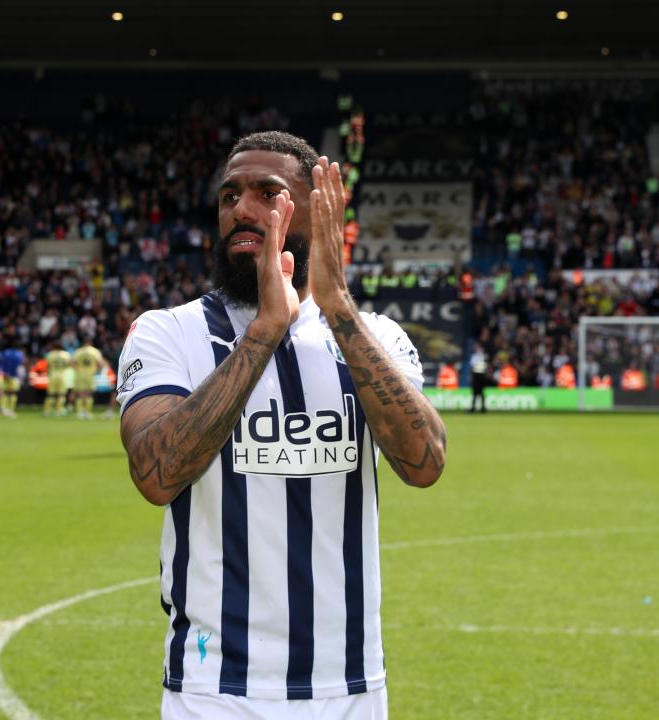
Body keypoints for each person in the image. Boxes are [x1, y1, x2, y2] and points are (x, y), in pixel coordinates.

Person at [117, 131, 446, 720]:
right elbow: (155, 474)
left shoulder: (377, 336)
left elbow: (424, 463)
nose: (240, 209)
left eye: (267, 193)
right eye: (228, 196)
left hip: (349, 686)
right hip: (213, 688)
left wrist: (338, 306)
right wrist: (266, 329)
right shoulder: (167, 332)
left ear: (318, 213)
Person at [73, 338, 105, 419]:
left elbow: (73, 363)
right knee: (89, 394)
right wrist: (96, 370)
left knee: (80, 394)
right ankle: (87, 412)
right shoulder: (95, 351)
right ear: (90, 342)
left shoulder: (78, 351)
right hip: (90, 375)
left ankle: (79, 413)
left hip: (80, 374)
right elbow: (100, 364)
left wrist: (77, 370)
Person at [44, 341, 72, 416]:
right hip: (62, 376)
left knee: (50, 395)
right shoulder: (66, 355)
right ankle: (58, 411)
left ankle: (47, 411)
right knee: (61, 395)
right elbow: (70, 365)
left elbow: (47, 365)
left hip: (53, 375)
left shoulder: (50, 354)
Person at [0, 341, 26, 417]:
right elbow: (21, 364)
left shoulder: (6, 352)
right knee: (13, 393)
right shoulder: (20, 354)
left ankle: (4, 408)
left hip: (5, 375)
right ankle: (11, 410)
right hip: (14, 376)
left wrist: (4, 372)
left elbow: (2, 363)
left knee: (6, 392)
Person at [469, 347, 488, 413]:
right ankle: (474, 408)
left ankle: (482, 408)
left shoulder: (484, 356)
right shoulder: (475, 356)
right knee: (475, 393)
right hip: (476, 375)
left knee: (481, 393)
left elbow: (486, 366)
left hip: (481, 375)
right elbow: (472, 366)